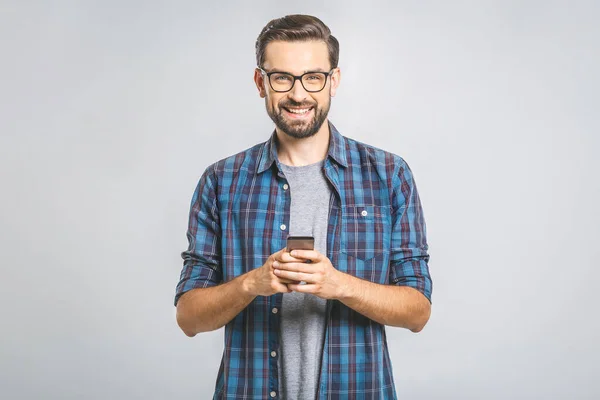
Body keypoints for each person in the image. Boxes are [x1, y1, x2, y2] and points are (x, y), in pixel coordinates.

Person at [174, 14, 432, 400]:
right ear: (261, 82)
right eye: (282, 77)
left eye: (313, 77)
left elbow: (417, 312)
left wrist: (340, 285)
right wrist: (251, 283)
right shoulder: (221, 181)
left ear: (334, 81)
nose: (299, 94)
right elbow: (189, 318)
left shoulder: (389, 175)